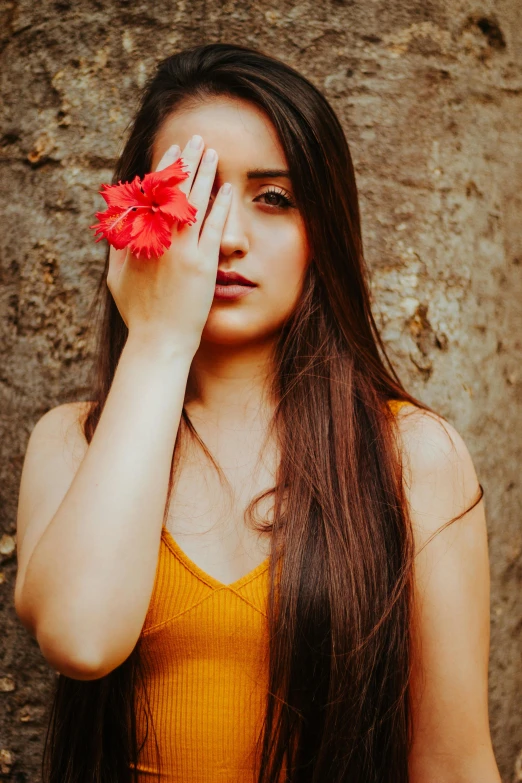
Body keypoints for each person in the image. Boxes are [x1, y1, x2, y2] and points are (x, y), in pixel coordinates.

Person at [13, 42, 501, 783]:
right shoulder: (70, 443)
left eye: (273, 198)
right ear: (134, 222)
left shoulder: (416, 455)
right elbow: (81, 638)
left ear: (322, 231)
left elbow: (454, 764)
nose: (228, 238)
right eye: (194, 199)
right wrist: (158, 340)